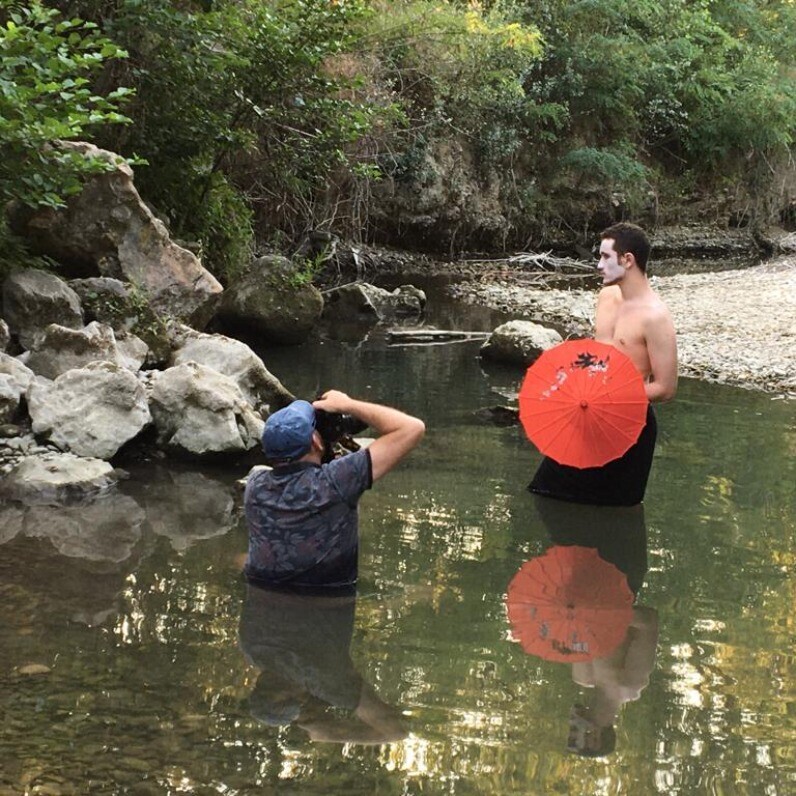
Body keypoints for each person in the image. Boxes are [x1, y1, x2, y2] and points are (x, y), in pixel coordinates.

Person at [530, 222, 677, 506]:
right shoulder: (607, 296)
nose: (598, 265)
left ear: (628, 260)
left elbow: (666, 387)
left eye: (605, 257)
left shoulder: (655, 317)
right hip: (588, 413)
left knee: (615, 509)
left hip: (630, 424)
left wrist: (614, 397)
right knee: (545, 491)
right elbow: (601, 353)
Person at [243, 390, 425, 589]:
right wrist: (347, 405)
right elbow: (412, 428)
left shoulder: (255, 485)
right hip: (329, 607)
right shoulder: (336, 481)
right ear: (315, 441)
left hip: (264, 603)